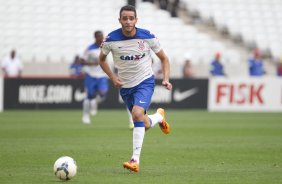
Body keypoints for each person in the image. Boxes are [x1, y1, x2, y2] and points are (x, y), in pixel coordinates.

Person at [99, 5, 172, 172]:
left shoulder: (147, 36)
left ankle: (134, 160)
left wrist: (166, 79)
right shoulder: (111, 40)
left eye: (131, 18)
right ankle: (159, 117)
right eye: (125, 18)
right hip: (125, 87)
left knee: (137, 115)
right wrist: (113, 77)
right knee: (144, 123)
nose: (128, 21)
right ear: (120, 20)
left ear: (136, 20)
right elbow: (101, 60)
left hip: (145, 81)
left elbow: (164, 58)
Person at [80, 31, 109, 124]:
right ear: (95, 37)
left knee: (103, 93)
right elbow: (81, 61)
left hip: (102, 75)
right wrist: (92, 63)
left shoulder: (105, 47)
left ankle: (95, 103)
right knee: (89, 96)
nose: (102, 39)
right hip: (91, 75)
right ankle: (85, 116)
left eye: (102, 37)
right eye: (100, 37)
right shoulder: (89, 49)